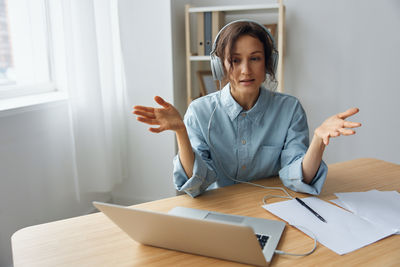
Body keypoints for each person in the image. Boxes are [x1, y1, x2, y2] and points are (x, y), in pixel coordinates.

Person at [133, 20, 361, 198]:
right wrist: (181, 132)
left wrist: (318, 141)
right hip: (222, 209)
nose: (245, 70)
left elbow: (298, 178)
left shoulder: (289, 109)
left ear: (268, 62)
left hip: (275, 205)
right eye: (235, 60)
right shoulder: (199, 111)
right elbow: (197, 183)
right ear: (220, 64)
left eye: (255, 58)